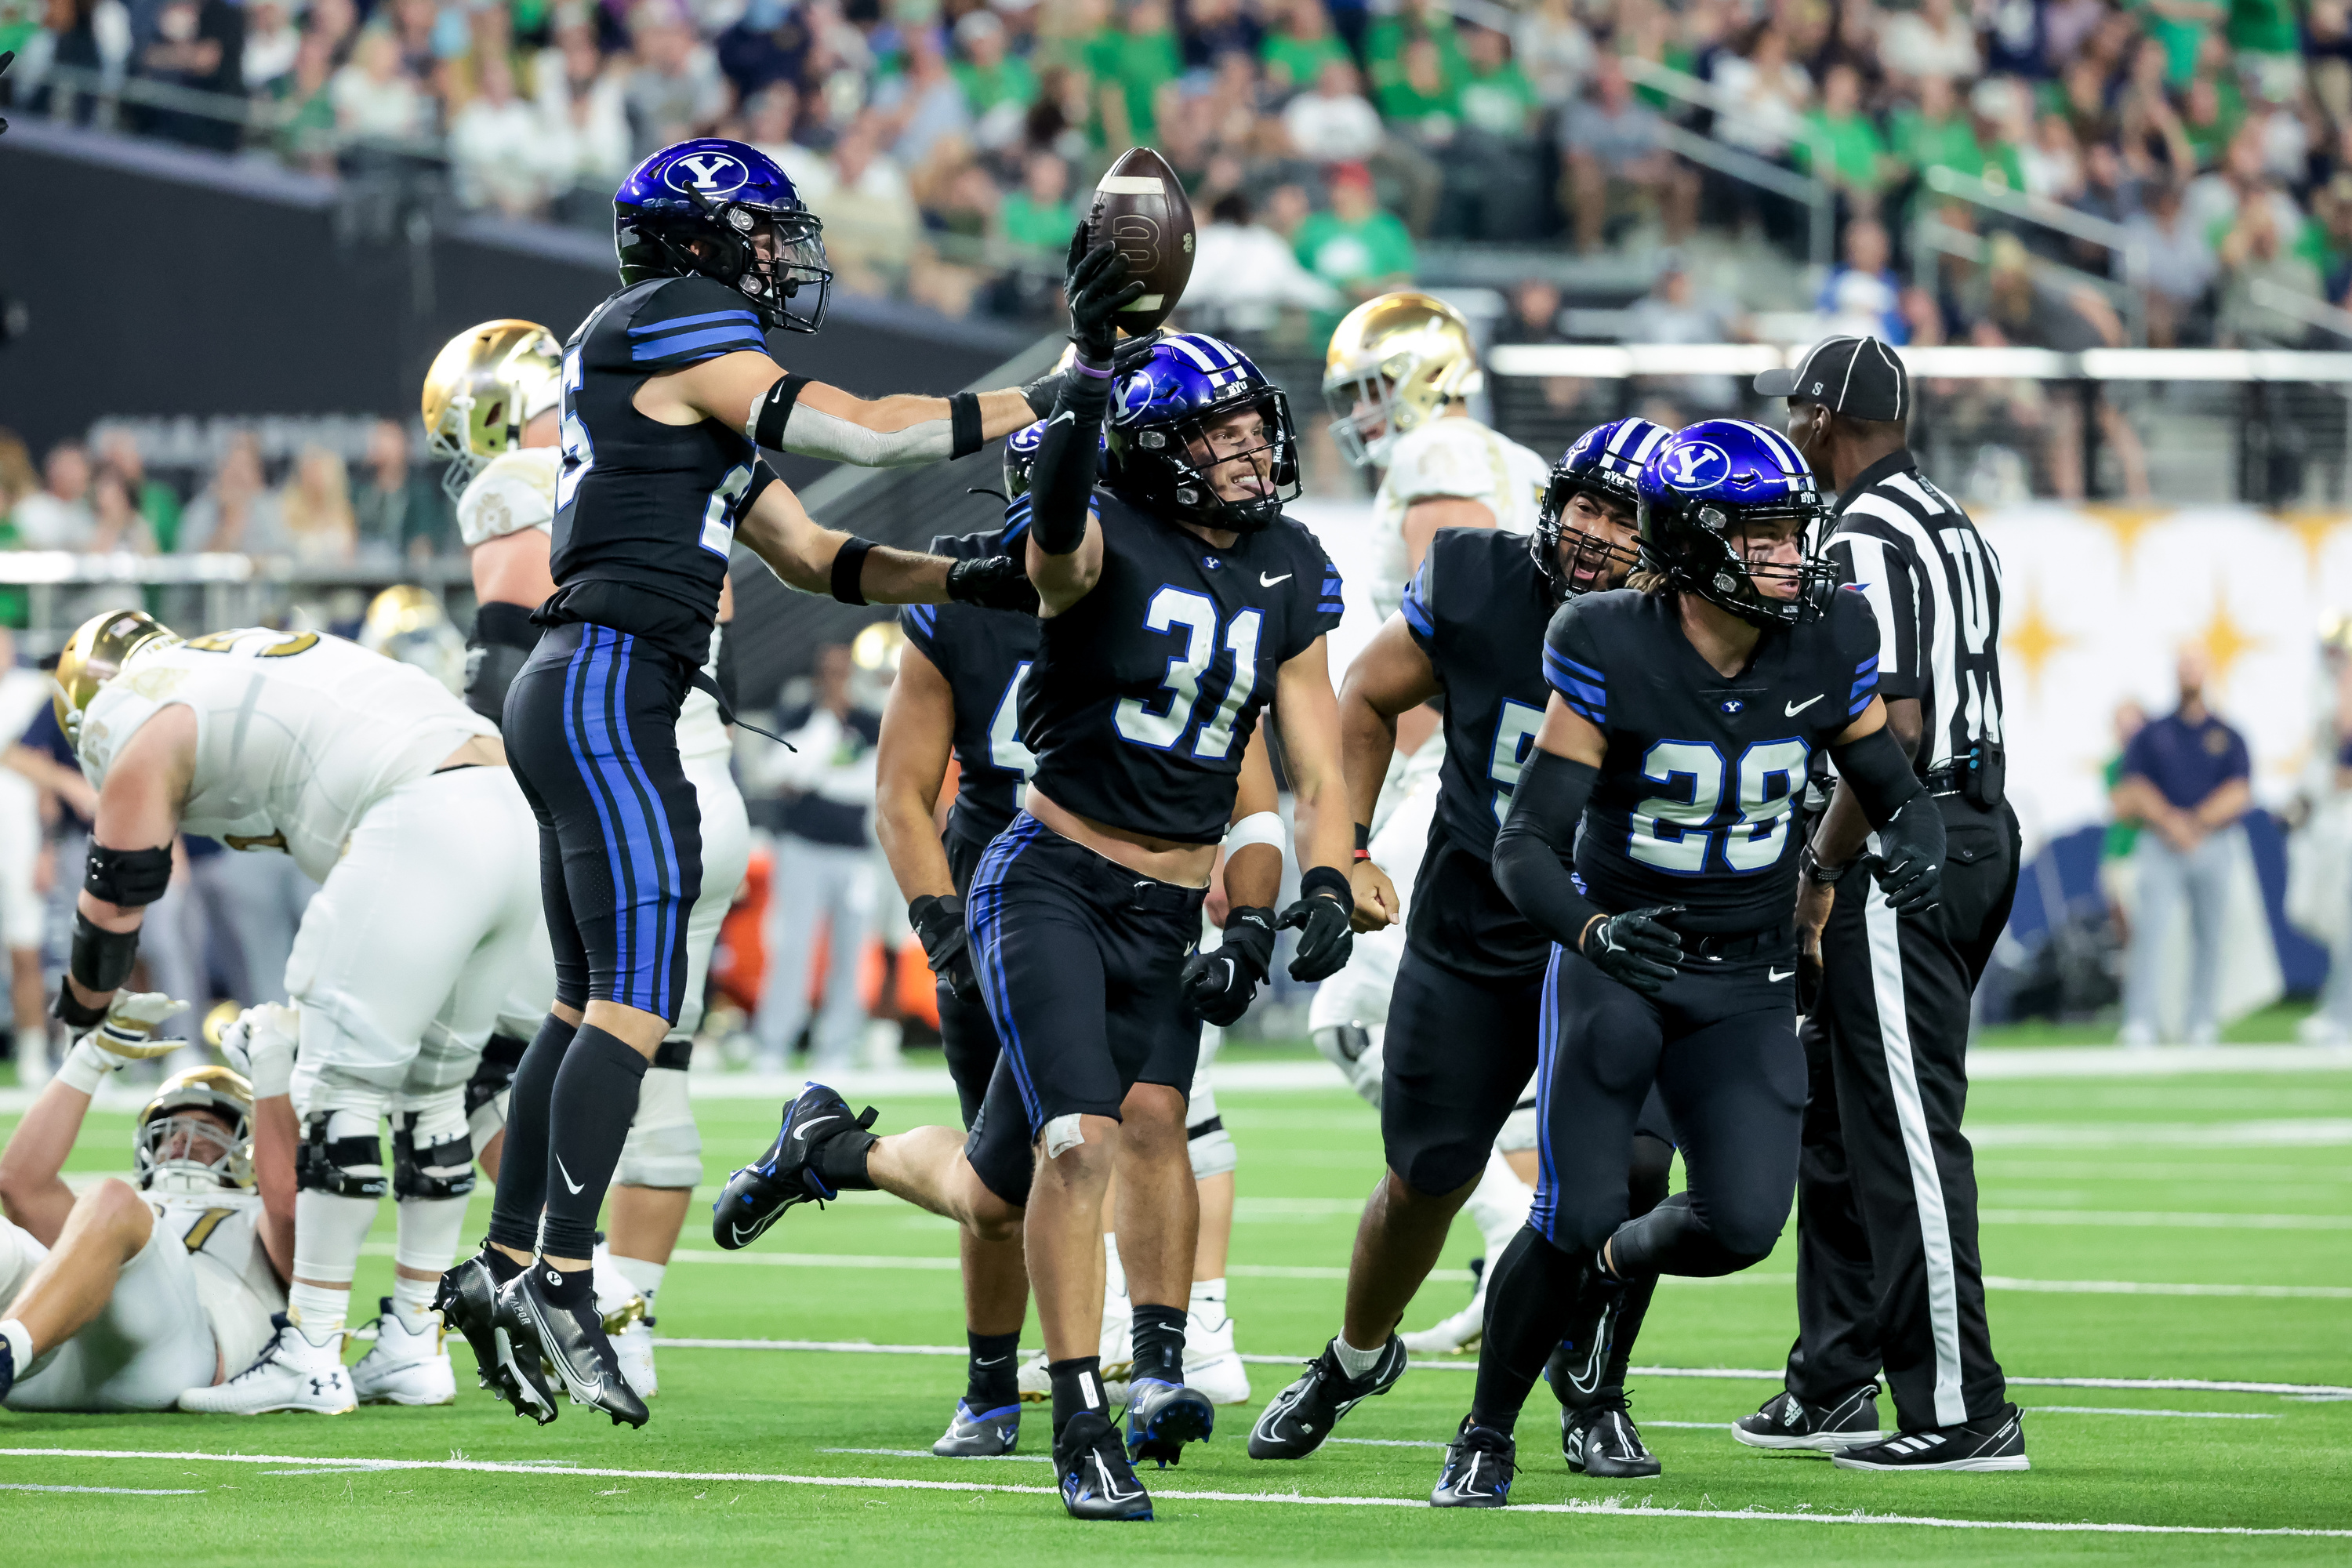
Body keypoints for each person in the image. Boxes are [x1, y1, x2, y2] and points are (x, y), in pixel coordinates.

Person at [434, 135, 1046, 1431]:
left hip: (589, 680)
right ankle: (564, 1276)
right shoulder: (673, 319)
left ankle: (500, 1269)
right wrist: (1053, 395)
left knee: (582, 1003)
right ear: (702, 241)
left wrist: (965, 577)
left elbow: (820, 555)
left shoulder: (664, 370)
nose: (780, 260)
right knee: (637, 1004)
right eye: (765, 234)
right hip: (609, 680)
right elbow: (858, 431)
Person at [713, 299, 1357, 1521]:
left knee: (1033, 1169)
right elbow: (1054, 535)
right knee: (1083, 1142)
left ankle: (840, 1157)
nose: (1245, 452)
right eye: (1213, 434)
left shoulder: (1286, 563)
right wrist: (1089, 378)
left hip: (1167, 906)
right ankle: (1079, 1418)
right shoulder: (1081, 542)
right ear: (1146, 446)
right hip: (1045, 879)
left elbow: (1306, 773)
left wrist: (1297, 899)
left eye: (1246, 430)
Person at [1423, 418, 1947, 1507]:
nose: (1789, 557)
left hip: (1747, 974)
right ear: (1695, 543)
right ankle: (1484, 1432)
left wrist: (1919, 836)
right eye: (1760, 536)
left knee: (1744, 1223)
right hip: (1625, 956)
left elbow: (1883, 773)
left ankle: (1607, 1278)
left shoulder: (1827, 633)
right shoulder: (1608, 639)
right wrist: (1589, 932)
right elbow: (1525, 841)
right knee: (1569, 1212)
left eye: (1791, 533)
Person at [1250, 418, 1680, 1481]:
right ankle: (1355, 1357)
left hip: (1618, 939)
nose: (1593, 531)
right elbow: (1365, 694)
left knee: (1628, 1170)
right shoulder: (1482, 584)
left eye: (1625, 517)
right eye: (1583, 502)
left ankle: (1594, 1391)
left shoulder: (1704, 631)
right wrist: (1345, 847)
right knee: (1425, 1178)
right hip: (1478, 928)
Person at [43, 608, 544, 1414]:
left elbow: (118, 892)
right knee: (434, 1089)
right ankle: (414, 1341)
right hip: (508, 807)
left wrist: (84, 1007)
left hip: (422, 813)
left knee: (331, 1084)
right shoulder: (228, 661)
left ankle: (310, 1350)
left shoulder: (145, 709)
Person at [876, 434, 1263, 1456]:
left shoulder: (1165, 581)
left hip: (1134, 895)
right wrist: (938, 921)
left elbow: (1244, 761)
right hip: (1008, 896)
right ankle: (990, 1383)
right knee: (996, 1188)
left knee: (1147, 1118)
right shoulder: (964, 594)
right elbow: (901, 793)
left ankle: (1161, 1366)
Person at [422, 317, 752, 1401]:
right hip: (697, 775)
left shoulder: (544, 477)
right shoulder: (686, 459)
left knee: (513, 1046)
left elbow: (509, 658)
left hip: (618, 767)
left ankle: (534, 1268)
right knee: (650, 1064)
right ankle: (609, 1303)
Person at [1738, 335, 2029, 1472]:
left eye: (1796, 412)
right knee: (1841, 1114)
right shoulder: (1951, 520)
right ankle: (1834, 1376)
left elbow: (1890, 731)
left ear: (1824, 418)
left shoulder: (1856, 534)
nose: (1788, 431)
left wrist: (1817, 873)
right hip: (1974, 826)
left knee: (1903, 1130)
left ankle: (1961, 1408)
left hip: (1907, 843)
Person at [1308, 292, 1554, 1353]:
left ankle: (1508, 1239)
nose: (1362, 415)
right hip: (1526, 774)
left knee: (1353, 1019)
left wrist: (1398, 798)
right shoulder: (1517, 463)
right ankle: (1527, 1244)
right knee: (1505, 1061)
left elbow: (1461, 632)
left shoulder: (1438, 458)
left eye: (1371, 389)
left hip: (1458, 780)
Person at [0, 1037, 291, 1411]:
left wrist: (273, 1070)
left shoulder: (264, 1210)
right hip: (58, 1362)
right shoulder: (119, 1212)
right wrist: (89, 1057)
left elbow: (288, 1205)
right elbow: (21, 1184)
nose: (182, 1138)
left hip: (177, 1360)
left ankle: (8, 1349)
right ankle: (16, 1347)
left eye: (207, 1128)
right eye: (170, 1129)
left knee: (112, 1199)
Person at [746, 644, 882, 1072]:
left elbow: (869, 785)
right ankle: (774, 1042)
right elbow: (779, 774)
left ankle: (837, 1047)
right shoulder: (798, 715)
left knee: (851, 950)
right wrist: (824, 730)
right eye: (829, 671)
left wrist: (816, 778)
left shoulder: (870, 722)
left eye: (843, 671)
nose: (836, 680)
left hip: (854, 854)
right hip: (801, 847)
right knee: (792, 947)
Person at [2111, 647, 2252, 1048]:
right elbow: (2132, 786)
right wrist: (2171, 821)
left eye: (2196, 665)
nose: (2190, 673)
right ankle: (2140, 1020)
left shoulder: (2228, 735)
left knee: (2210, 935)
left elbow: (2240, 790)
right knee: (2149, 933)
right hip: (2161, 843)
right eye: (2183, 666)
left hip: (2211, 843)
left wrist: (2197, 822)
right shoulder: (2154, 734)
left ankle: (2202, 1019)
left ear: (2207, 672)